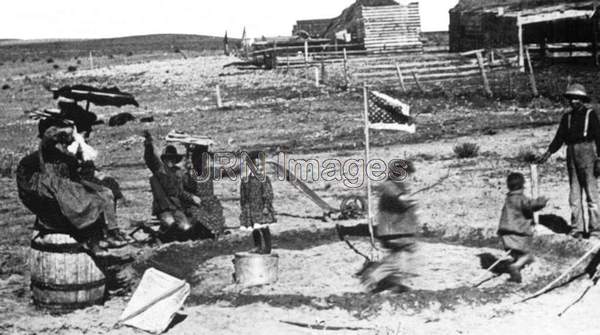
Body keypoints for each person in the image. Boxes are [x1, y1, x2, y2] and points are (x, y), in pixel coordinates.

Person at [16, 116, 128, 250]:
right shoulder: (40, 156)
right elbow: (47, 143)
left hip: (75, 182)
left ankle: (111, 231)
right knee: (87, 201)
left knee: (107, 192)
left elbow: (78, 172)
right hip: (56, 190)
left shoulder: (69, 153)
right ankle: (94, 237)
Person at [538, 83, 600, 238]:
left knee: (591, 194)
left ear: (582, 99)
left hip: (587, 151)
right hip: (571, 153)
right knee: (574, 194)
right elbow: (559, 137)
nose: (573, 102)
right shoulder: (567, 117)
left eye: (577, 99)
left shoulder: (590, 114)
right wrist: (548, 152)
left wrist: (599, 159)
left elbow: (599, 137)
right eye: (571, 99)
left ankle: (595, 229)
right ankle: (577, 228)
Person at [360, 160, 418, 293]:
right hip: (394, 231)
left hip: (401, 231)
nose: (410, 178)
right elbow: (399, 198)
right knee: (398, 259)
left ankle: (395, 283)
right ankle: (372, 276)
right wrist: (408, 200)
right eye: (408, 175)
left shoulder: (397, 186)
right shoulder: (391, 186)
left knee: (402, 258)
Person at [498, 172, 548, 283]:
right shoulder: (521, 198)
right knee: (528, 255)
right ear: (522, 185)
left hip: (505, 234)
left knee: (515, 252)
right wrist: (541, 202)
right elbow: (530, 206)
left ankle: (516, 269)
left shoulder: (508, 199)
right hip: (519, 234)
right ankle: (515, 266)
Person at [184, 145, 225, 238]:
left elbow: (225, 171)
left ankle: (216, 231)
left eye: (204, 160)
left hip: (211, 201)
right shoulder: (188, 175)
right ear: (194, 160)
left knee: (217, 211)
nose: (202, 162)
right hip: (196, 203)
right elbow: (181, 192)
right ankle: (208, 232)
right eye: (199, 159)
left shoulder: (209, 171)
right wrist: (192, 197)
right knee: (200, 217)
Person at [239, 151, 276, 254]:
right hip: (250, 207)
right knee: (254, 228)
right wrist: (244, 207)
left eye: (261, 165)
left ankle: (267, 248)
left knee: (263, 227)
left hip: (261, 207)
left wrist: (266, 206)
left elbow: (268, 193)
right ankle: (257, 246)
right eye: (256, 165)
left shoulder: (264, 179)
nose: (259, 168)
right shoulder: (245, 179)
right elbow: (243, 194)